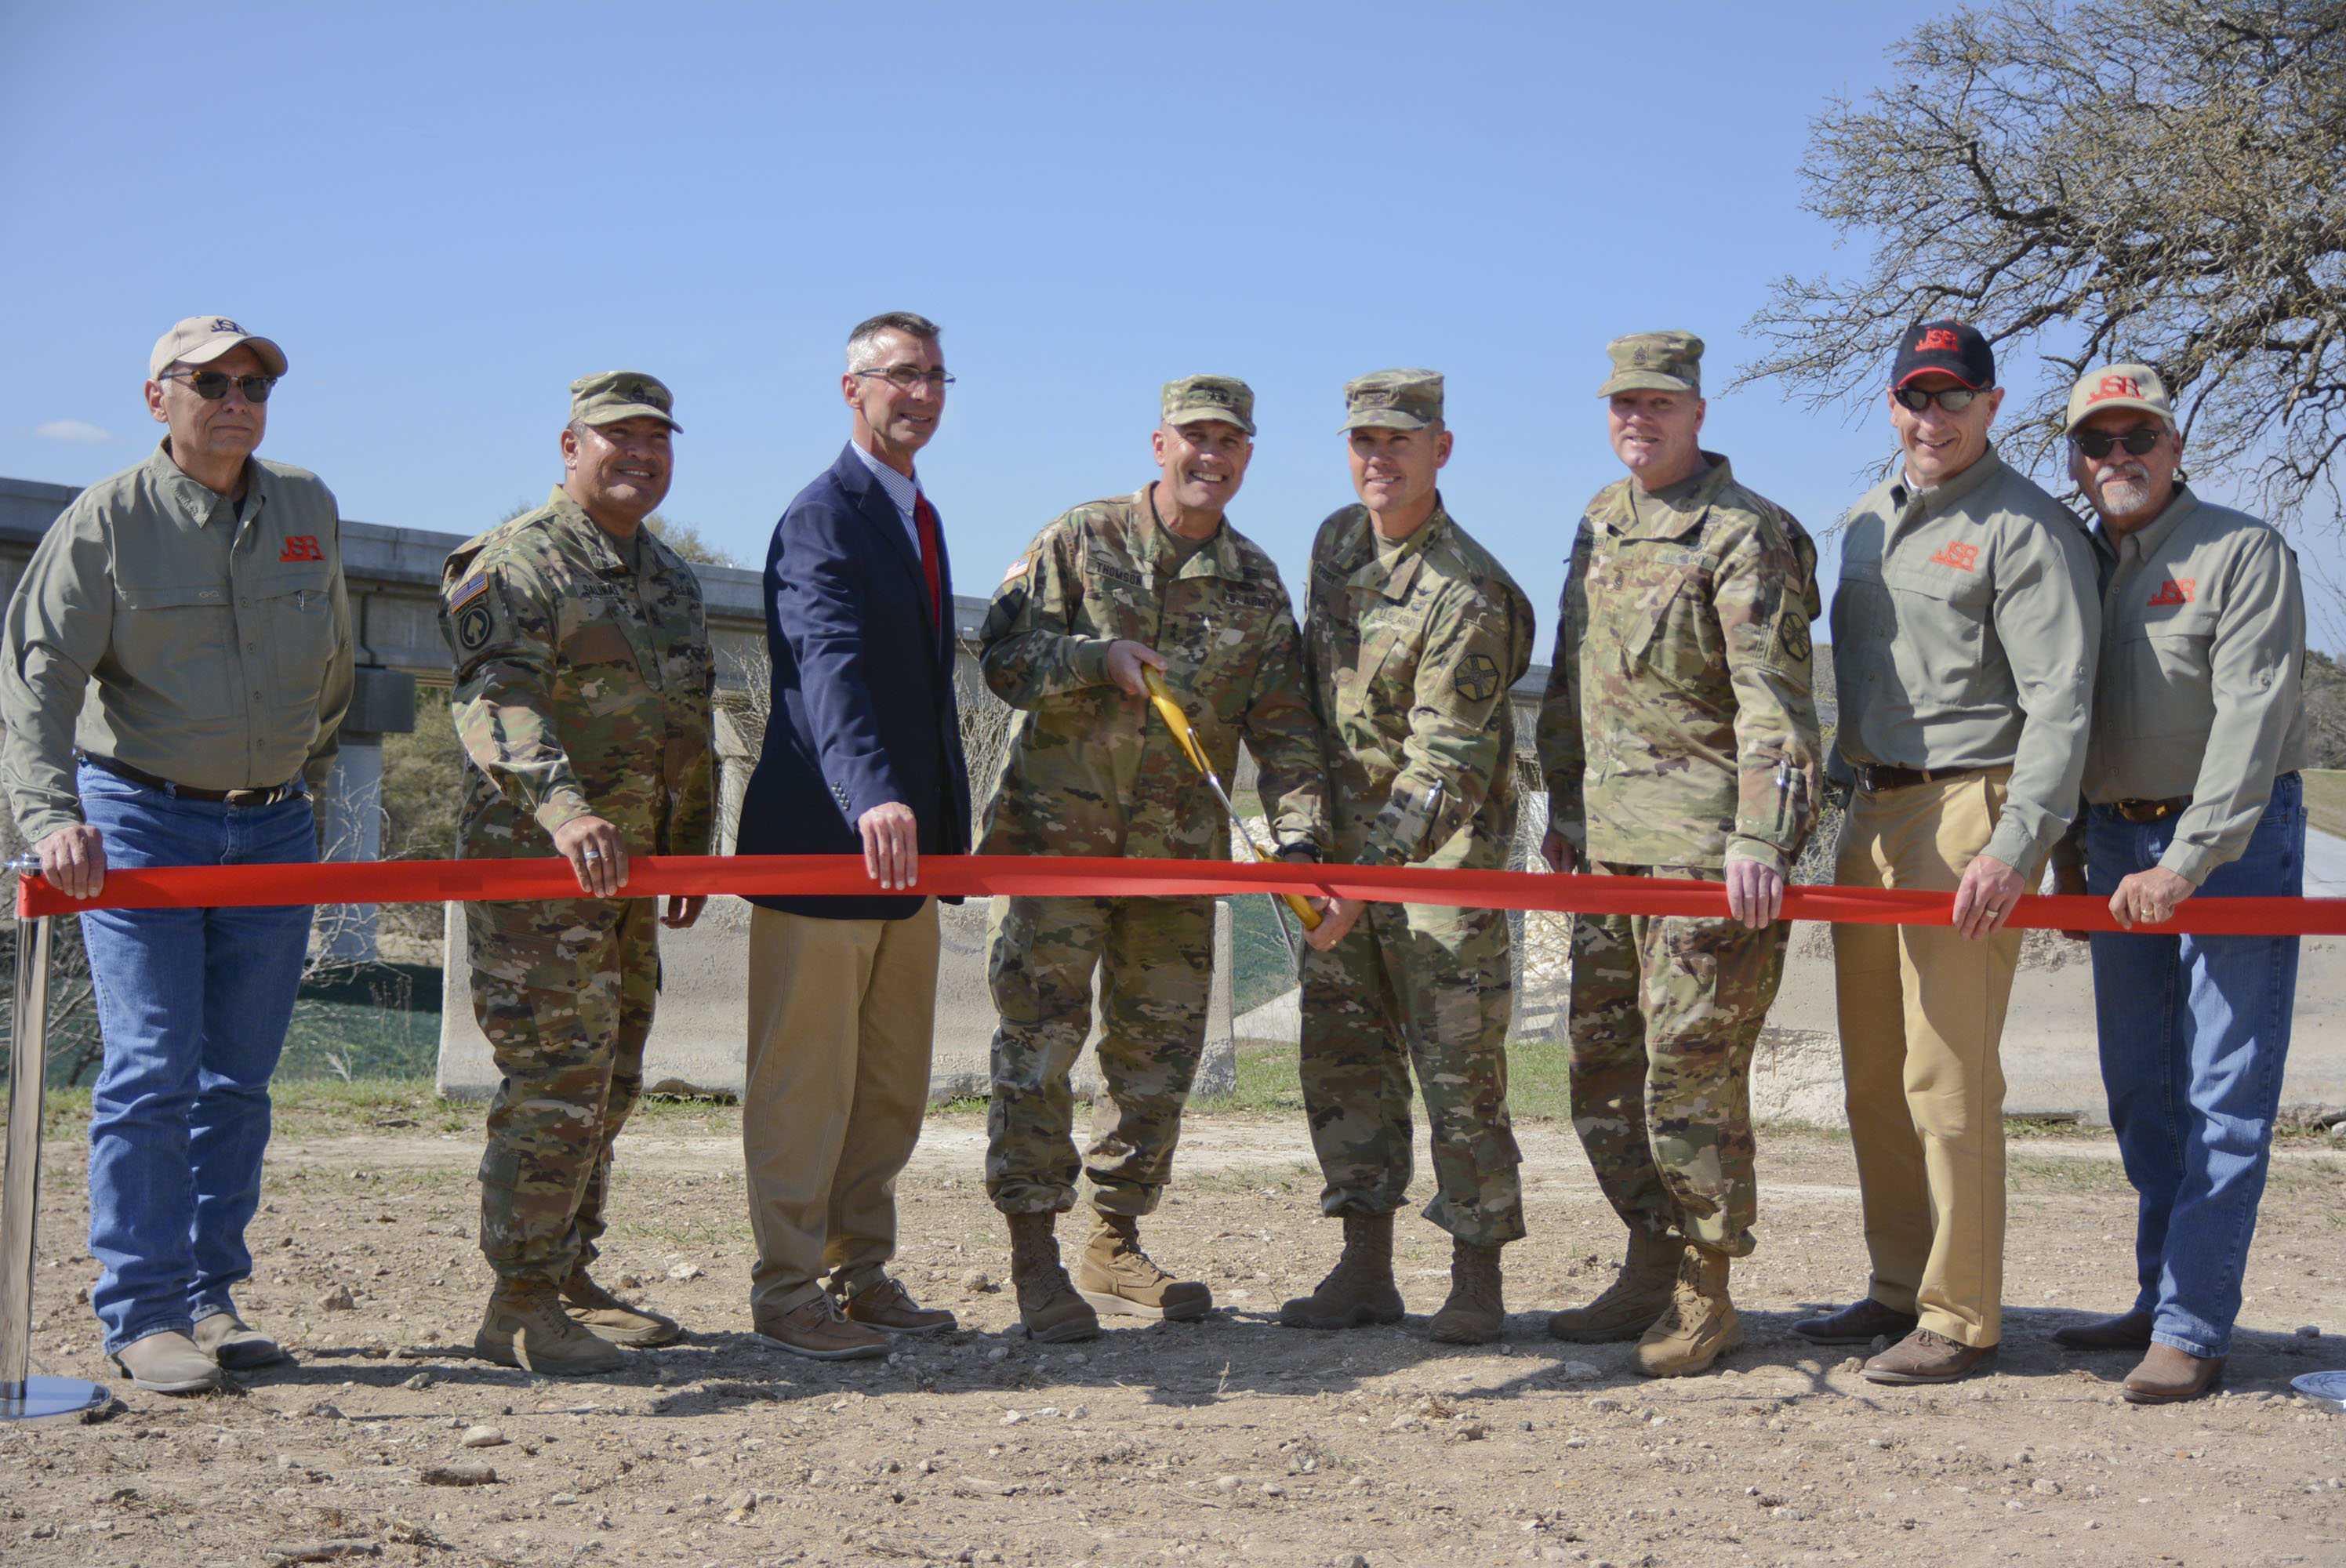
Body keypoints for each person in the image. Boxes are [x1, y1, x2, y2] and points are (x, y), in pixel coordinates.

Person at [0, 316, 352, 1395]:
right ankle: (143, 1313)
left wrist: (297, 769)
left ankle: (210, 1295)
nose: (236, 398)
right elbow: (38, 678)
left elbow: (336, 662)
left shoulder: (306, 504)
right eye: (211, 381)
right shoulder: (106, 520)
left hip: (274, 822)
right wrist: (49, 814)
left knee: (237, 1080)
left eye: (254, 383)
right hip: (141, 823)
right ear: (160, 398)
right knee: (153, 1068)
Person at [979, 376, 1327, 1341]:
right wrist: (1097, 657)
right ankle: (1034, 1259)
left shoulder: (1257, 584)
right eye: (1193, 438)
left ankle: (1113, 1237)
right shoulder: (1078, 540)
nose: (1208, 456)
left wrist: (1297, 841)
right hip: (1062, 852)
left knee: (1158, 1061)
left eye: (1228, 441)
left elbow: (1286, 727)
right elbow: (1002, 661)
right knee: (1038, 1048)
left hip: (1175, 865)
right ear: (1158, 443)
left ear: (1247, 456)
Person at [1796, 320, 2100, 1385]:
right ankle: (1895, 1287)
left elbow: (2062, 703)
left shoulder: (2028, 530)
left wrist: (2019, 842)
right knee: (1875, 1077)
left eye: (1955, 397)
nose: (1935, 418)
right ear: (1892, 406)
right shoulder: (1868, 524)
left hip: (1971, 811)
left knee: (1948, 1075)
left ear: (1993, 404)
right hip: (1870, 813)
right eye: (1918, 397)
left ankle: (1960, 1314)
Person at [1538, 332, 1822, 1376]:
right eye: (1622, 404)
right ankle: (1649, 1265)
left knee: (1688, 1079)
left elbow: (1778, 707)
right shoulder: (1601, 523)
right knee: (1602, 1073)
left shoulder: (1747, 534)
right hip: (1608, 855)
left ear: (1698, 413)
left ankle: (1710, 1290)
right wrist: (1559, 810)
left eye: (1658, 405)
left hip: (1707, 859)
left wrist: (1762, 834)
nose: (1637, 421)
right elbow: (1569, 681)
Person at [441, 371, 714, 1377]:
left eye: (656, 438)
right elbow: (495, 702)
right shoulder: (516, 562)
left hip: (632, 869)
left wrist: (691, 843)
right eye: (617, 437)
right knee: (556, 1074)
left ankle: (566, 1272)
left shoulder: (671, 580)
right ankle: (516, 1304)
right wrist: (565, 808)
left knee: (615, 1069)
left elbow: (688, 724)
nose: (639, 454)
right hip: (537, 864)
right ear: (570, 447)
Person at [2046, 364, 2305, 1403]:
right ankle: (2158, 1294)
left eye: (2138, 437)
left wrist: (2188, 864)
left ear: (2176, 443)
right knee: (2143, 1091)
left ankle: (2196, 1327)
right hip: (2113, 842)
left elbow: (2250, 724)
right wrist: (2071, 842)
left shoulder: (2241, 551)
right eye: (2098, 443)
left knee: (2225, 1095)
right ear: (2076, 459)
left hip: (2233, 845)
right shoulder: (2072, 564)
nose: (2120, 459)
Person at [1280, 369, 1536, 1345]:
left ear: (1442, 448)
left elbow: (1443, 767)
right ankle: (1364, 1266)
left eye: (1398, 440)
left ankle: (1476, 1277)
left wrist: (1365, 876)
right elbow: (1308, 698)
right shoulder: (1336, 542)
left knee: (1457, 1070)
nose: (1377, 458)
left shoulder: (1468, 592)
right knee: (1344, 1058)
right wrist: (1307, 840)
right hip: (1340, 860)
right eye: (1362, 441)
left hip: (1439, 866)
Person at [733, 312, 970, 1360]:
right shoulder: (822, 517)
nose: (916, 393)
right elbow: (824, 665)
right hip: (826, 845)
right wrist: (870, 791)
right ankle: (787, 1291)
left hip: (905, 865)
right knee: (805, 1087)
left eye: (931, 376)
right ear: (851, 389)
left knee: (887, 1087)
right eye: (896, 376)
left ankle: (857, 1273)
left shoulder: (917, 515)